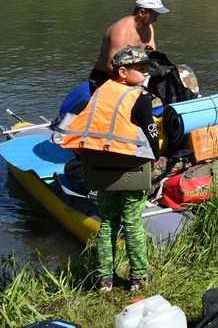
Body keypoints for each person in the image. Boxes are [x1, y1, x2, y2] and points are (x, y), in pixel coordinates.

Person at [56, 46, 160, 293]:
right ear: (123, 71)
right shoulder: (141, 98)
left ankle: (105, 280)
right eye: (141, 69)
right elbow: (151, 134)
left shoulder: (100, 92)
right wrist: (154, 158)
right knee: (133, 222)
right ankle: (138, 278)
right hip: (131, 168)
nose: (146, 73)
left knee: (107, 223)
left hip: (98, 168)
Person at [90, 0, 169, 93]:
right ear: (141, 12)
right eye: (154, 15)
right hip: (106, 77)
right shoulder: (121, 31)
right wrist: (135, 82)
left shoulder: (149, 27)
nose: (157, 19)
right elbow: (111, 66)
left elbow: (152, 55)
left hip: (134, 75)